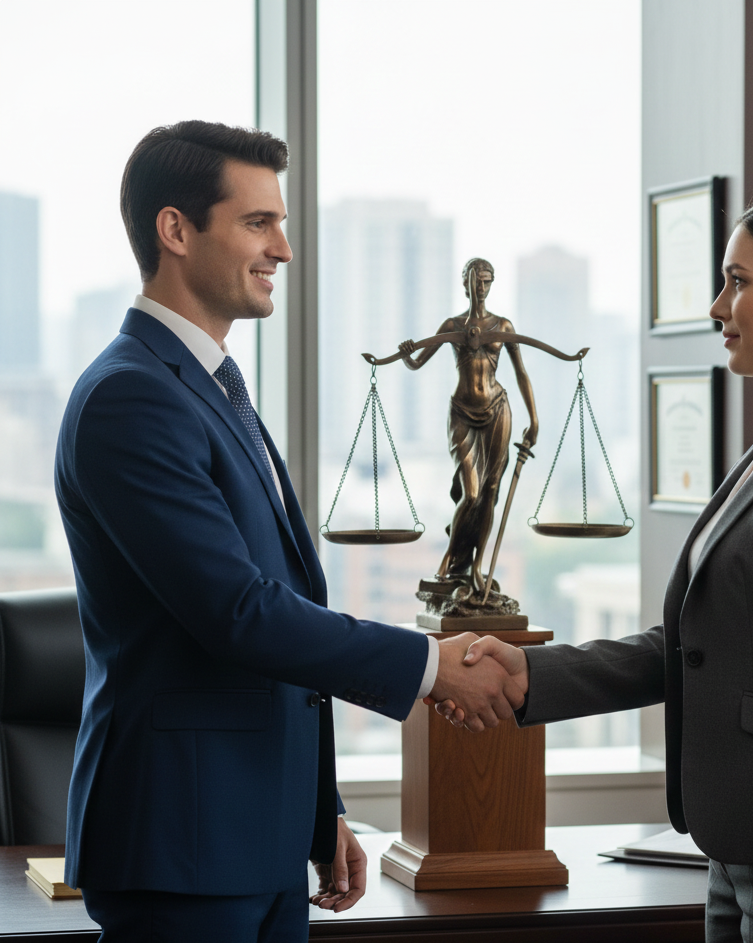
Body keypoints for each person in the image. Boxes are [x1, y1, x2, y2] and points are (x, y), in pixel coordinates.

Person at [54, 120, 521, 943]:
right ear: (176, 229)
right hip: (183, 847)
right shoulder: (130, 399)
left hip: (256, 840)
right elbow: (239, 611)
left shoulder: (211, 386)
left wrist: (318, 808)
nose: (285, 248)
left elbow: (274, 622)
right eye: (258, 222)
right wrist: (428, 665)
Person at [436, 189, 753, 943]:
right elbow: (698, 645)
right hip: (738, 856)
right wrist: (533, 676)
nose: (717, 304)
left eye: (738, 280)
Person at [397, 258, 539, 596]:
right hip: (462, 412)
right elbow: (417, 362)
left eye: (488, 281)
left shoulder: (503, 326)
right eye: (477, 280)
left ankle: (476, 567)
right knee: (471, 493)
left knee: (490, 491)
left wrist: (534, 419)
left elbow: (521, 372)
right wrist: (405, 355)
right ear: (465, 283)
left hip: (497, 410)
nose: (482, 287)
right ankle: (450, 561)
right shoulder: (452, 325)